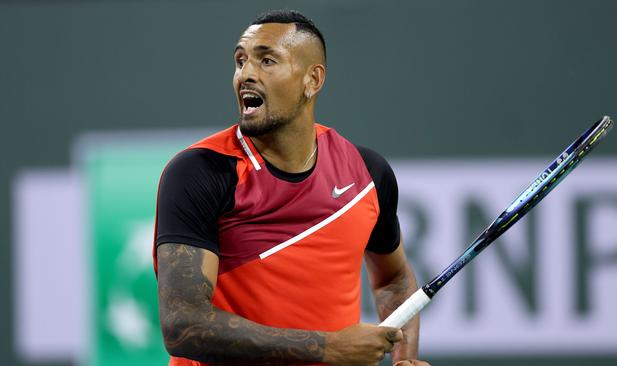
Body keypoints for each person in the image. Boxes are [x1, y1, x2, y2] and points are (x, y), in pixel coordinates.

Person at [153, 9, 429, 366]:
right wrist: (327, 347)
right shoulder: (200, 172)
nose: (246, 75)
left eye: (267, 60)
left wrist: (404, 359)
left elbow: (394, 280)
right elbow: (183, 326)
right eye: (240, 61)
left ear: (312, 80)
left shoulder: (366, 174)